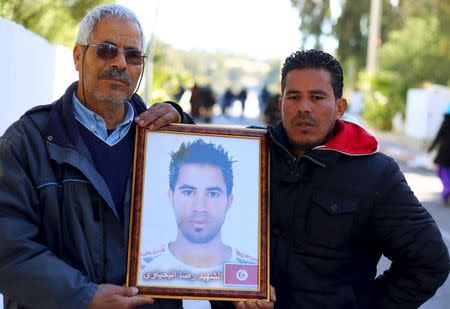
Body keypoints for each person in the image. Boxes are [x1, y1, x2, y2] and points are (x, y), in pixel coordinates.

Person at [0, 4, 195, 309]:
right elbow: (9, 250)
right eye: (106, 50)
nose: (120, 62)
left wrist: (187, 127)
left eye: (133, 55)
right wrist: (83, 296)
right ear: (78, 56)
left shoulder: (168, 142)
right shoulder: (26, 142)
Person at [266, 49, 449, 308]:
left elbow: (430, 261)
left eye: (317, 97)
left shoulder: (376, 174)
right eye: (293, 97)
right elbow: (201, 146)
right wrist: (233, 298)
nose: (303, 107)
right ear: (281, 103)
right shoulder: (252, 154)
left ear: (340, 107)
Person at [140, 139, 257, 290]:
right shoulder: (142, 268)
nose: (200, 207)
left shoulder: (254, 273)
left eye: (213, 194)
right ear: (171, 197)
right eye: (188, 192)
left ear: (229, 201)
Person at [428, 103, 450, 205]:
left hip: (445, 152)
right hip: (445, 153)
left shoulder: (446, 121)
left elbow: (439, 135)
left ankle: (447, 191)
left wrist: (431, 148)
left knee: (442, 172)